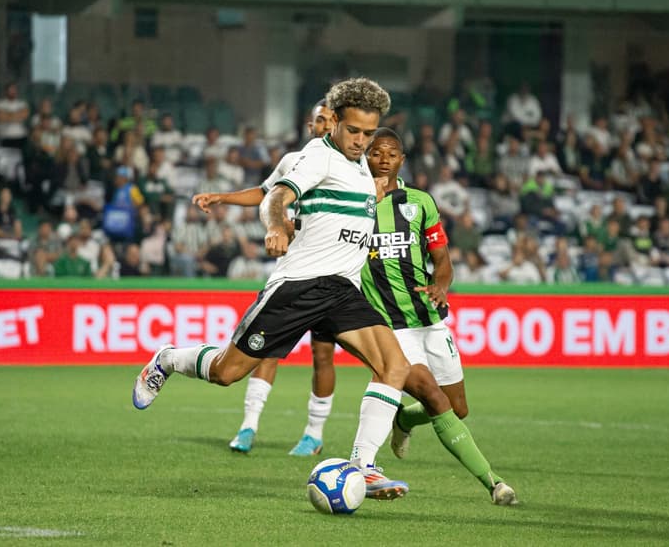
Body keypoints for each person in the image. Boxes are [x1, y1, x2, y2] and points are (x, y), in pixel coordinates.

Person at [132, 77, 411, 500]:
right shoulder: (317, 157)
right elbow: (276, 196)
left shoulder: (360, 166)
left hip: (341, 290)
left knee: (394, 366)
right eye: (353, 131)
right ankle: (168, 359)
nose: (360, 141)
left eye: (368, 134)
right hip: (299, 286)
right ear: (333, 121)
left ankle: (364, 467)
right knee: (228, 373)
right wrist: (278, 225)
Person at [363, 128, 517, 505]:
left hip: (430, 319)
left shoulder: (420, 203)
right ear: (364, 157)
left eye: (392, 153)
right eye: (376, 152)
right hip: (389, 326)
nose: (384, 159)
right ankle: (494, 483)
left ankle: (402, 420)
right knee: (433, 395)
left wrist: (441, 286)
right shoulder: (353, 203)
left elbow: (443, 261)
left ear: (402, 160)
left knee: (457, 408)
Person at [191, 98, 337, 456]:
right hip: (294, 270)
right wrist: (222, 197)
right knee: (265, 352)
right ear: (310, 126)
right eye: (319, 120)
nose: (325, 126)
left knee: (323, 355)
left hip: (332, 275)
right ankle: (248, 427)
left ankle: (313, 434)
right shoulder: (294, 161)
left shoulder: (351, 165)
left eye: (331, 120)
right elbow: (265, 193)